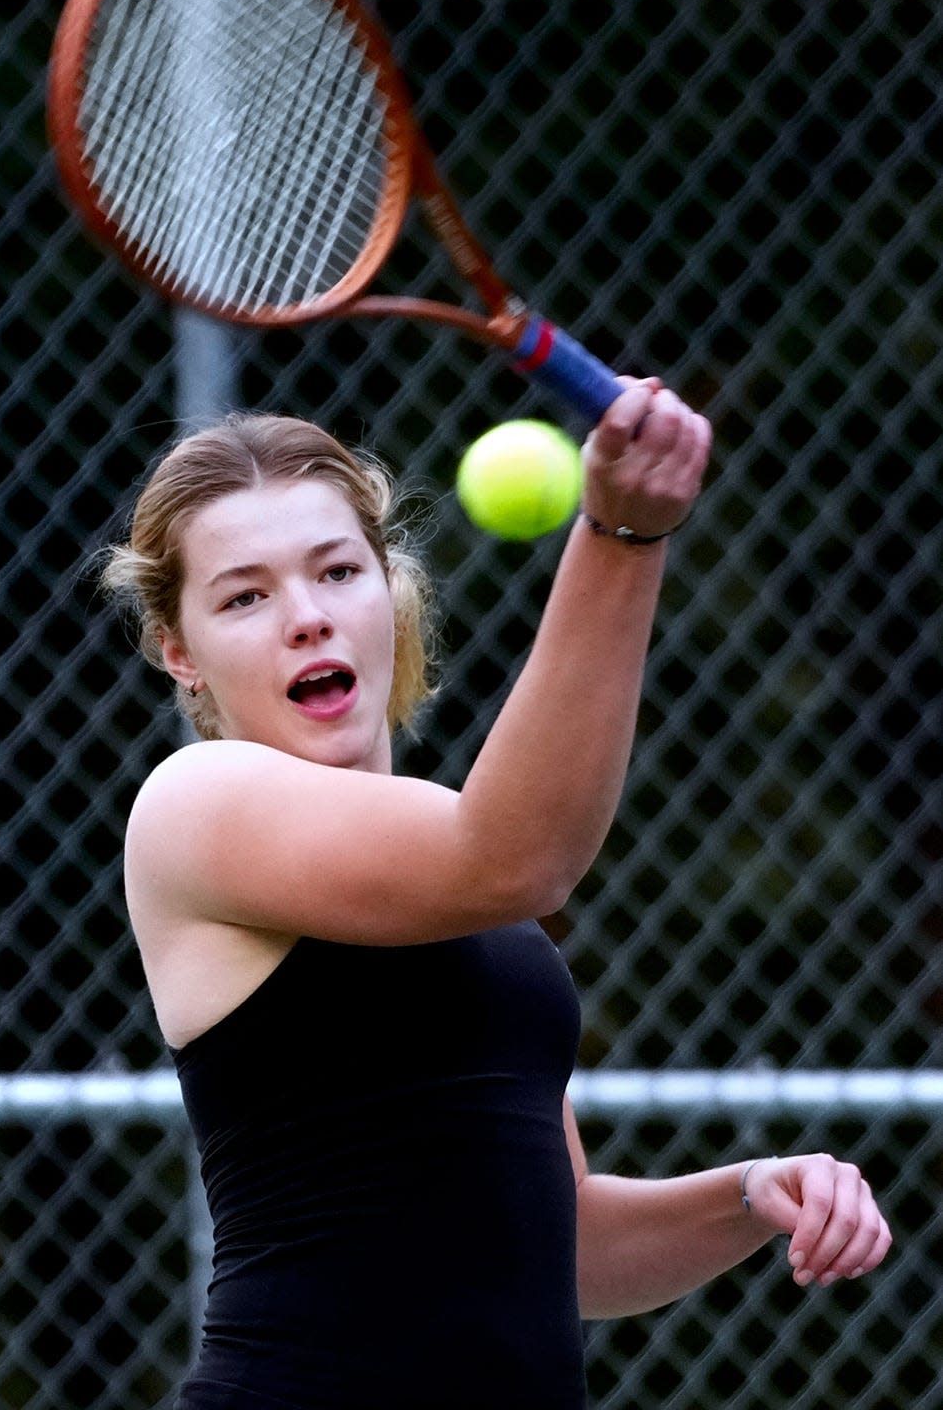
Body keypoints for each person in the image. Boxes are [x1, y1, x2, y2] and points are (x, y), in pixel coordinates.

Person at [102, 384, 891, 1410]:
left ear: (390, 588)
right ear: (179, 652)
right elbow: (518, 853)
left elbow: (570, 1251)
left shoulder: (447, 857)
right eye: (244, 596)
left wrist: (747, 1196)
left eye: (338, 571)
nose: (306, 617)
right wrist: (618, 536)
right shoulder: (196, 807)